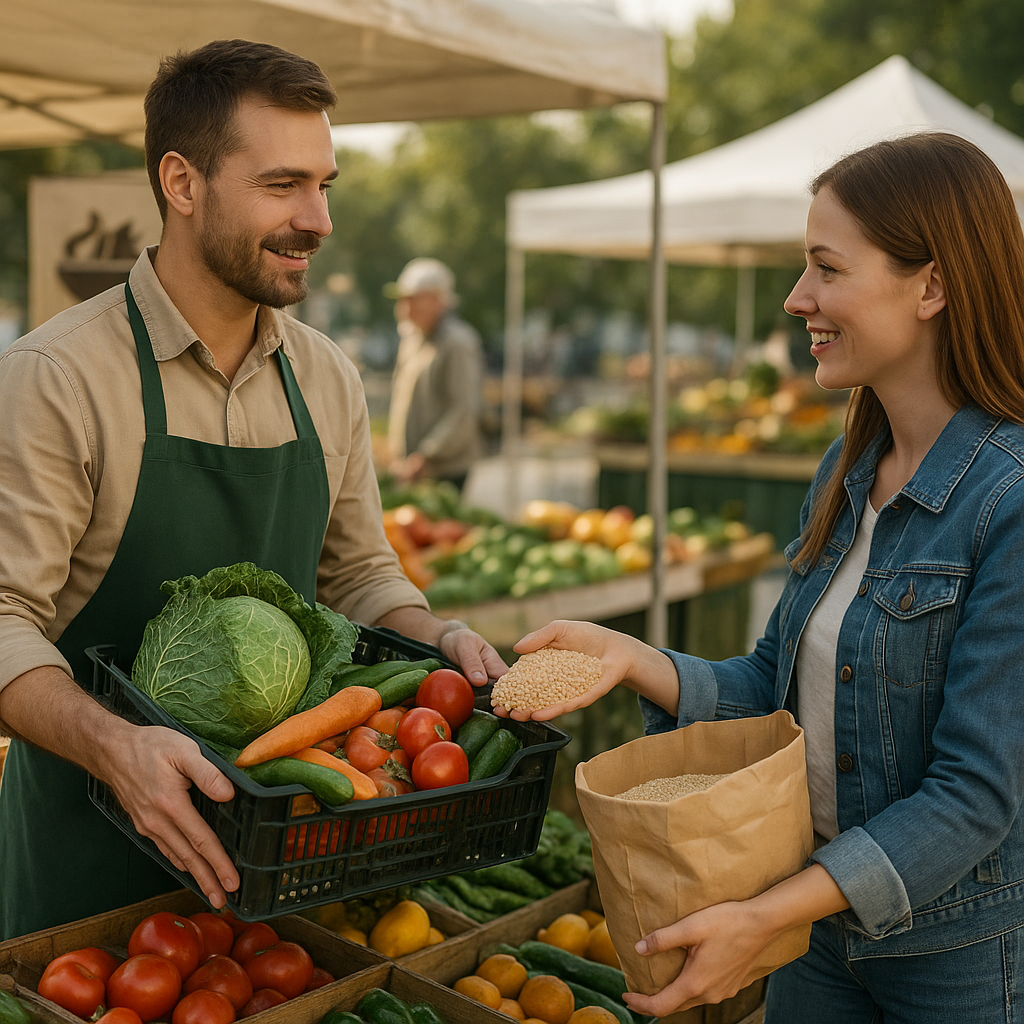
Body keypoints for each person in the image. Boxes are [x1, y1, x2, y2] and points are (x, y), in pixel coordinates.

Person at [503, 133, 1024, 1023]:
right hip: (814, 939)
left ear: (931, 286)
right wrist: (632, 659)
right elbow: (771, 692)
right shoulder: (847, 469)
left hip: (955, 958)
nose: (798, 299)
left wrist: (763, 916)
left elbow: (976, 793)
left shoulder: (1007, 501)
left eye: (826, 268)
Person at [0, 39, 506, 940]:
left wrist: (441, 637)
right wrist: (117, 748)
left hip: (280, 862)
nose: (317, 219)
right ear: (181, 183)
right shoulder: (59, 377)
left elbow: (358, 577)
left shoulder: (329, 378)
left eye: (326, 185)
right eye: (282, 186)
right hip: (86, 875)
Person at [385, 257, 484, 493]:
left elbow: (463, 409)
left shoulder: (456, 343)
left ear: (438, 300)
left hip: (444, 469)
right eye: (403, 299)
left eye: (413, 299)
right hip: (414, 467)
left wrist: (428, 454)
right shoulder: (412, 339)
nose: (405, 306)